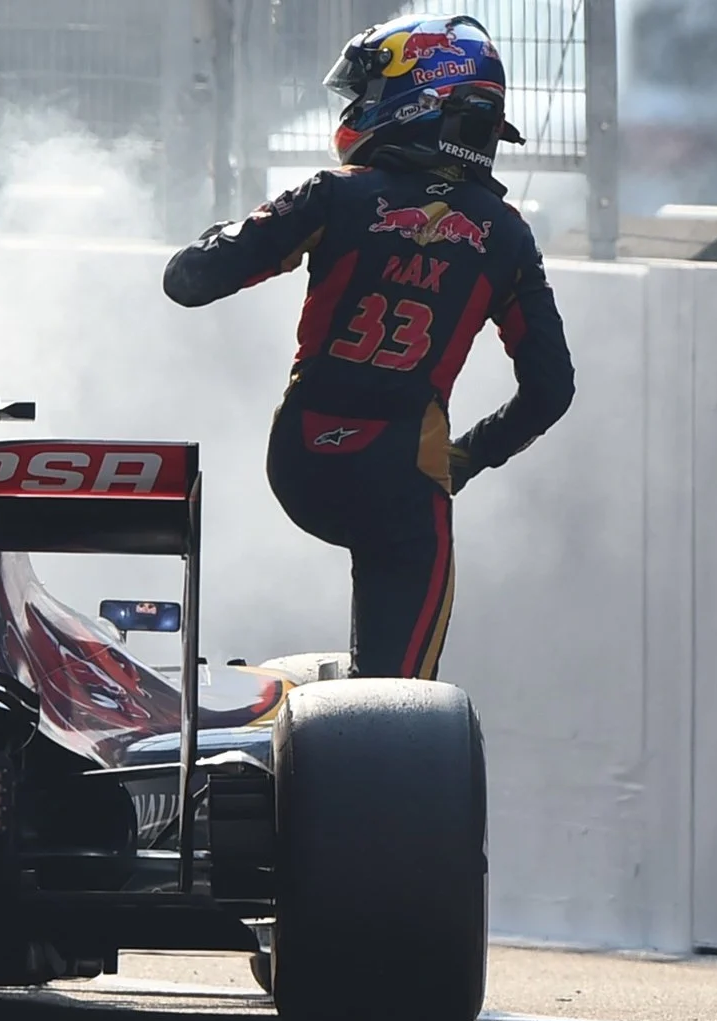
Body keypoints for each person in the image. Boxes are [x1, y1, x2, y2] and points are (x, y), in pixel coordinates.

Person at [161, 13, 575, 681]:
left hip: (301, 461)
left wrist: (240, 227)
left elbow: (187, 280)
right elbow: (551, 392)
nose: (358, 107)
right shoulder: (507, 236)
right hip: (404, 480)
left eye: (369, 89)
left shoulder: (335, 196)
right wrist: (465, 458)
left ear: (417, 98)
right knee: (399, 705)